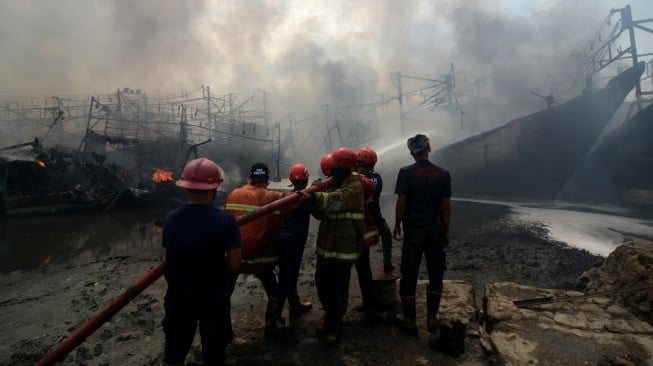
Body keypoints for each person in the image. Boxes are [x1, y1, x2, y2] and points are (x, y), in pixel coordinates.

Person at [161, 158, 242, 366]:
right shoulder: (227, 221)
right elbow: (234, 265)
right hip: (213, 296)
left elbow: (172, 255)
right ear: (214, 188)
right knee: (214, 352)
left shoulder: (170, 219)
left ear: (186, 187)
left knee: (174, 353)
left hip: (178, 296)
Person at [392, 134, 451, 336]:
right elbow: (446, 207)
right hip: (435, 230)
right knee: (436, 272)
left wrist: (397, 224)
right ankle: (432, 319)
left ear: (412, 152)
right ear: (429, 150)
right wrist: (446, 230)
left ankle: (410, 320)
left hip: (414, 231)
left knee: (409, 272)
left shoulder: (406, 173)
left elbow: (402, 202)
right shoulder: (443, 174)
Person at [224, 162, 291, 338]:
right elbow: (296, 201)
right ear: (267, 180)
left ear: (250, 178)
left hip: (234, 256)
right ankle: (273, 324)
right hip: (262, 259)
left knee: (223, 293)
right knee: (275, 292)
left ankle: (222, 330)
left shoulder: (233, 194)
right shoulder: (274, 197)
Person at [308, 147, 365, 346]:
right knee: (322, 282)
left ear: (345, 168)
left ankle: (337, 322)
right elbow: (320, 214)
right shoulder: (332, 184)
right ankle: (329, 313)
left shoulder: (355, 187)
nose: (331, 171)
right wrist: (313, 199)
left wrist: (315, 197)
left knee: (340, 284)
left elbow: (335, 202)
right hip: (326, 245)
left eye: (334, 167)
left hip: (344, 247)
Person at [277, 163, 313, 318]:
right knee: (288, 278)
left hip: (283, 239)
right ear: (307, 178)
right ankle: (275, 316)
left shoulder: (287, 197)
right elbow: (319, 214)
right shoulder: (306, 198)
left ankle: (295, 304)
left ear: (291, 179)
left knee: (288, 274)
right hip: (295, 242)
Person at [356, 147, 395, 273]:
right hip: (375, 216)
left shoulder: (352, 179)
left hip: (359, 218)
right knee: (387, 235)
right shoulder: (377, 178)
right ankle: (387, 264)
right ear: (372, 164)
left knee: (363, 248)